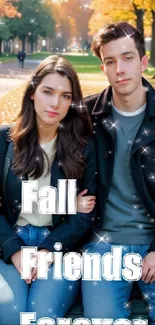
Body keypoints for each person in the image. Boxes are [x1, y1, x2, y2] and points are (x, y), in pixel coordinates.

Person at [0, 55, 97, 325]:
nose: (55, 103)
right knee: (9, 312)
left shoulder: (83, 147)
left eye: (65, 96)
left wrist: (48, 250)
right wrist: (15, 250)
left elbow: (85, 214)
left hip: (60, 246)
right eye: (47, 92)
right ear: (32, 93)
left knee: (41, 315)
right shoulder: (4, 140)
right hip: (12, 242)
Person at [79, 22, 155, 323]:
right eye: (111, 61)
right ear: (103, 67)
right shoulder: (85, 118)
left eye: (128, 58)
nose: (119, 68)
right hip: (103, 246)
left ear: (143, 62)